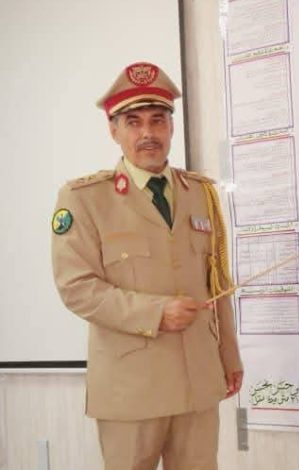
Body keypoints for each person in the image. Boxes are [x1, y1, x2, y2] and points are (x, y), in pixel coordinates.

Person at [50, 62, 243, 470]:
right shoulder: (85, 199)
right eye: (133, 122)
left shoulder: (201, 193)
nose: (147, 133)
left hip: (198, 382)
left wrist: (230, 357)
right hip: (130, 389)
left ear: (171, 127)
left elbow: (217, 284)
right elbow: (77, 288)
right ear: (113, 130)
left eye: (158, 120)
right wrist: (155, 312)